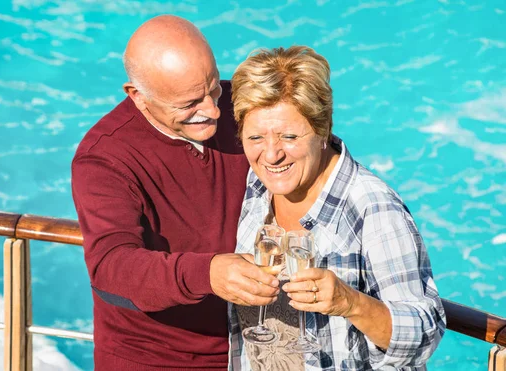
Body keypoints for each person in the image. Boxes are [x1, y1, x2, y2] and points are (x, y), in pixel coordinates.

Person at [71, 15, 280, 370]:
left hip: (254, 344)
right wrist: (208, 273)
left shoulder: (237, 104)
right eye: (189, 104)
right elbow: (111, 265)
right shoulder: (103, 158)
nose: (214, 111)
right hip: (152, 357)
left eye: (214, 89)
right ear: (137, 97)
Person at [228, 46, 446, 370]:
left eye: (289, 136)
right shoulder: (258, 182)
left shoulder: (374, 209)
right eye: (256, 137)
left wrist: (350, 302)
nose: (272, 154)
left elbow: (425, 333)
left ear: (323, 128)